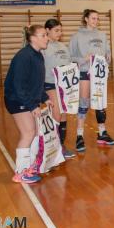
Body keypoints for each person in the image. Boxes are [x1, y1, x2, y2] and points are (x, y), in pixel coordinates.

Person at [4, 25, 52, 183]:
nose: (47, 38)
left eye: (46, 35)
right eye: (44, 35)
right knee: (28, 133)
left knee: (37, 131)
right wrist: (31, 105)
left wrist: (44, 97)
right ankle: (20, 172)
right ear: (33, 38)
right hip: (17, 100)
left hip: (27, 98)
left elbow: (36, 82)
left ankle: (30, 167)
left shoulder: (38, 55)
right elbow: (19, 85)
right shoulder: (24, 56)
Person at [69, 9, 114, 152]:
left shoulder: (102, 34)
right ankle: (79, 135)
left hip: (99, 74)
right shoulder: (76, 37)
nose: (96, 21)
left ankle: (102, 133)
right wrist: (84, 59)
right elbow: (70, 57)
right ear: (86, 19)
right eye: (93, 18)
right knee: (84, 103)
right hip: (85, 72)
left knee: (100, 104)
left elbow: (107, 50)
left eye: (97, 18)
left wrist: (108, 55)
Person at [43, 19, 76, 159]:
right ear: (47, 30)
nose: (60, 33)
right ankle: (51, 147)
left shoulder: (63, 46)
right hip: (49, 84)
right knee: (56, 113)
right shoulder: (44, 47)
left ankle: (60, 146)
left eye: (60, 30)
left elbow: (69, 64)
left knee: (63, 115)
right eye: (56, 30)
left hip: (64, 86)